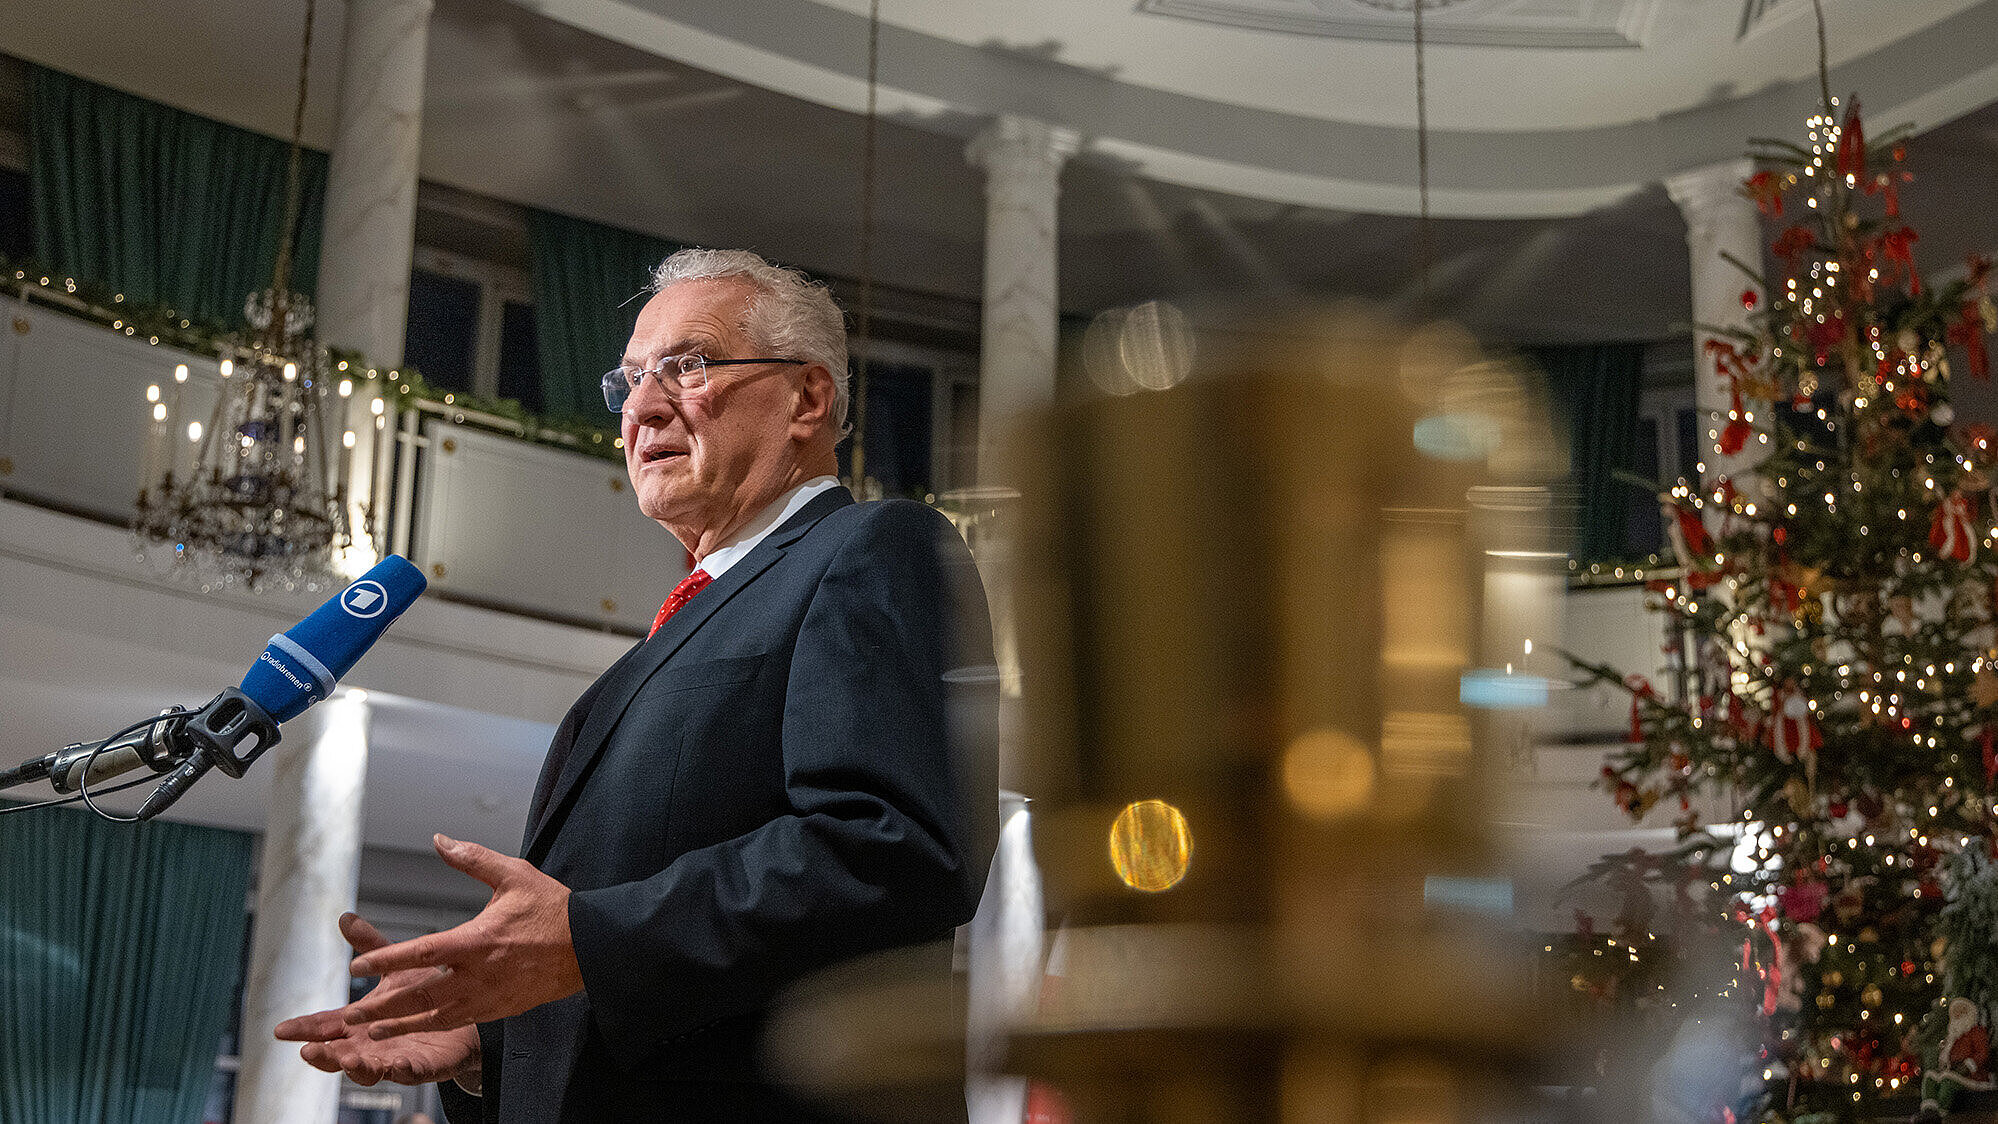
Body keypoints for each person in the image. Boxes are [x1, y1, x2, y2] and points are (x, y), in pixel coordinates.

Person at [276, 249, 998, 1121]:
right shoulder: (691, 615)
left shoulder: (877, 549)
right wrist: (489, 1038)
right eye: (628, 382)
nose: (643, 408)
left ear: (808, 399)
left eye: (687, 367)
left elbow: (896, 847)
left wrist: (586, 939)